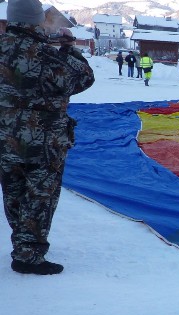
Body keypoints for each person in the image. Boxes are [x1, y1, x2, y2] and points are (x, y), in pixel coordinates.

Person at [0, 0, 95, 275]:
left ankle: (22, 243)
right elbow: (83, 78)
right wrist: (68, 49)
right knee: (40, 197)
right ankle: (28, 255)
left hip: (6, 140)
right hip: (43, 142)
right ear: (36, 20)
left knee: (14, 193)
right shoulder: (44, 55)